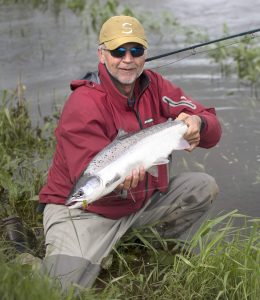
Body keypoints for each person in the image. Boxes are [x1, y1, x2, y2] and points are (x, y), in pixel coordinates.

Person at [39, 15, 222, 289]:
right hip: (88, 213)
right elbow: (86, 173)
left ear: (144, 54)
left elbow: (213, 130)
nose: (127, 59)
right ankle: (31, 260)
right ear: (102, 55)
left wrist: (199, 122)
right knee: (58, 289)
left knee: (202, 187)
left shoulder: (155, 85)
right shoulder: (83, 104)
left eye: (135, 51)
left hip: (139, 204)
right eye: (117, 51)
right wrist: (115, 182)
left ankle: (131, 245)